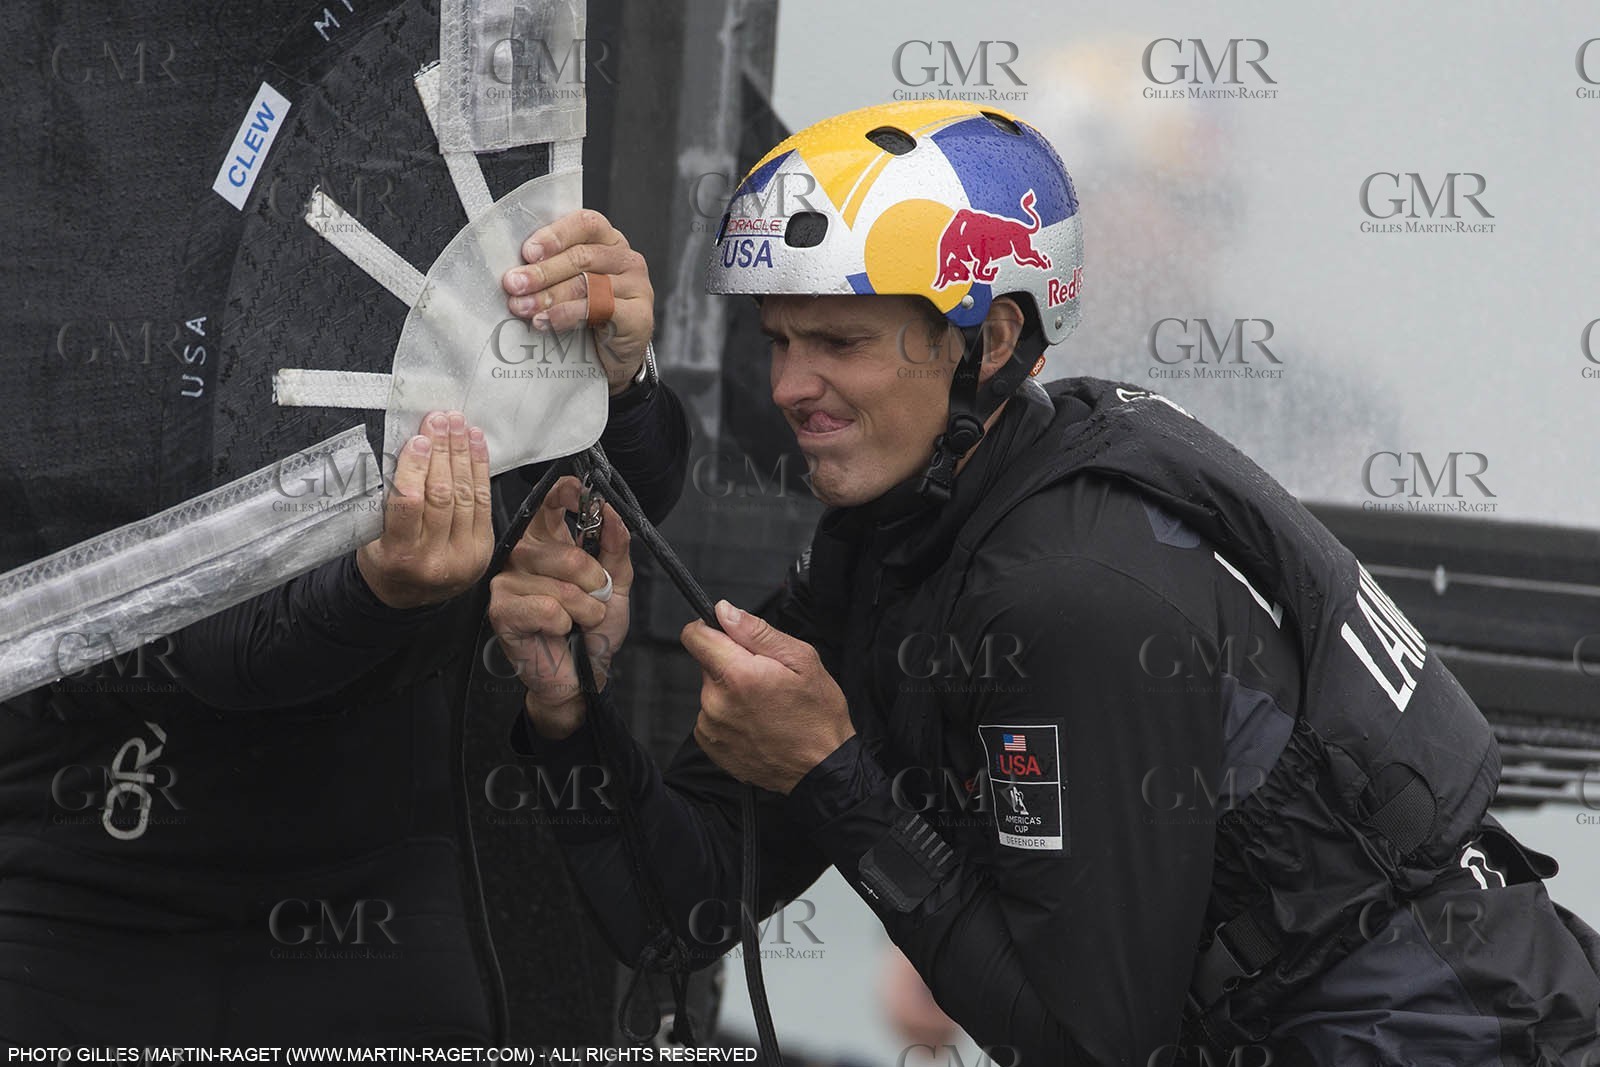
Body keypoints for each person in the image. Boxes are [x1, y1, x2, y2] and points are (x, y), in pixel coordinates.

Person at [491, 102, 1600, 1064]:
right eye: (777, 339)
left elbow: (1087, 1047)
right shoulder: (899, 532)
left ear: (991, 339)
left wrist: (836, 772)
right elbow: (672, 906)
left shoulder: (1067, 593)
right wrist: (567, 705)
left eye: (840, 340)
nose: (788, 385)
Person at [0, 211, 688, 1043]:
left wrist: (619, 380)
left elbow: (598, 499)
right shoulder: (56, 242)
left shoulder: (372, 156)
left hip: (369, 886)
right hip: (82, 895)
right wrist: (378, 589)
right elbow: (190, 630)